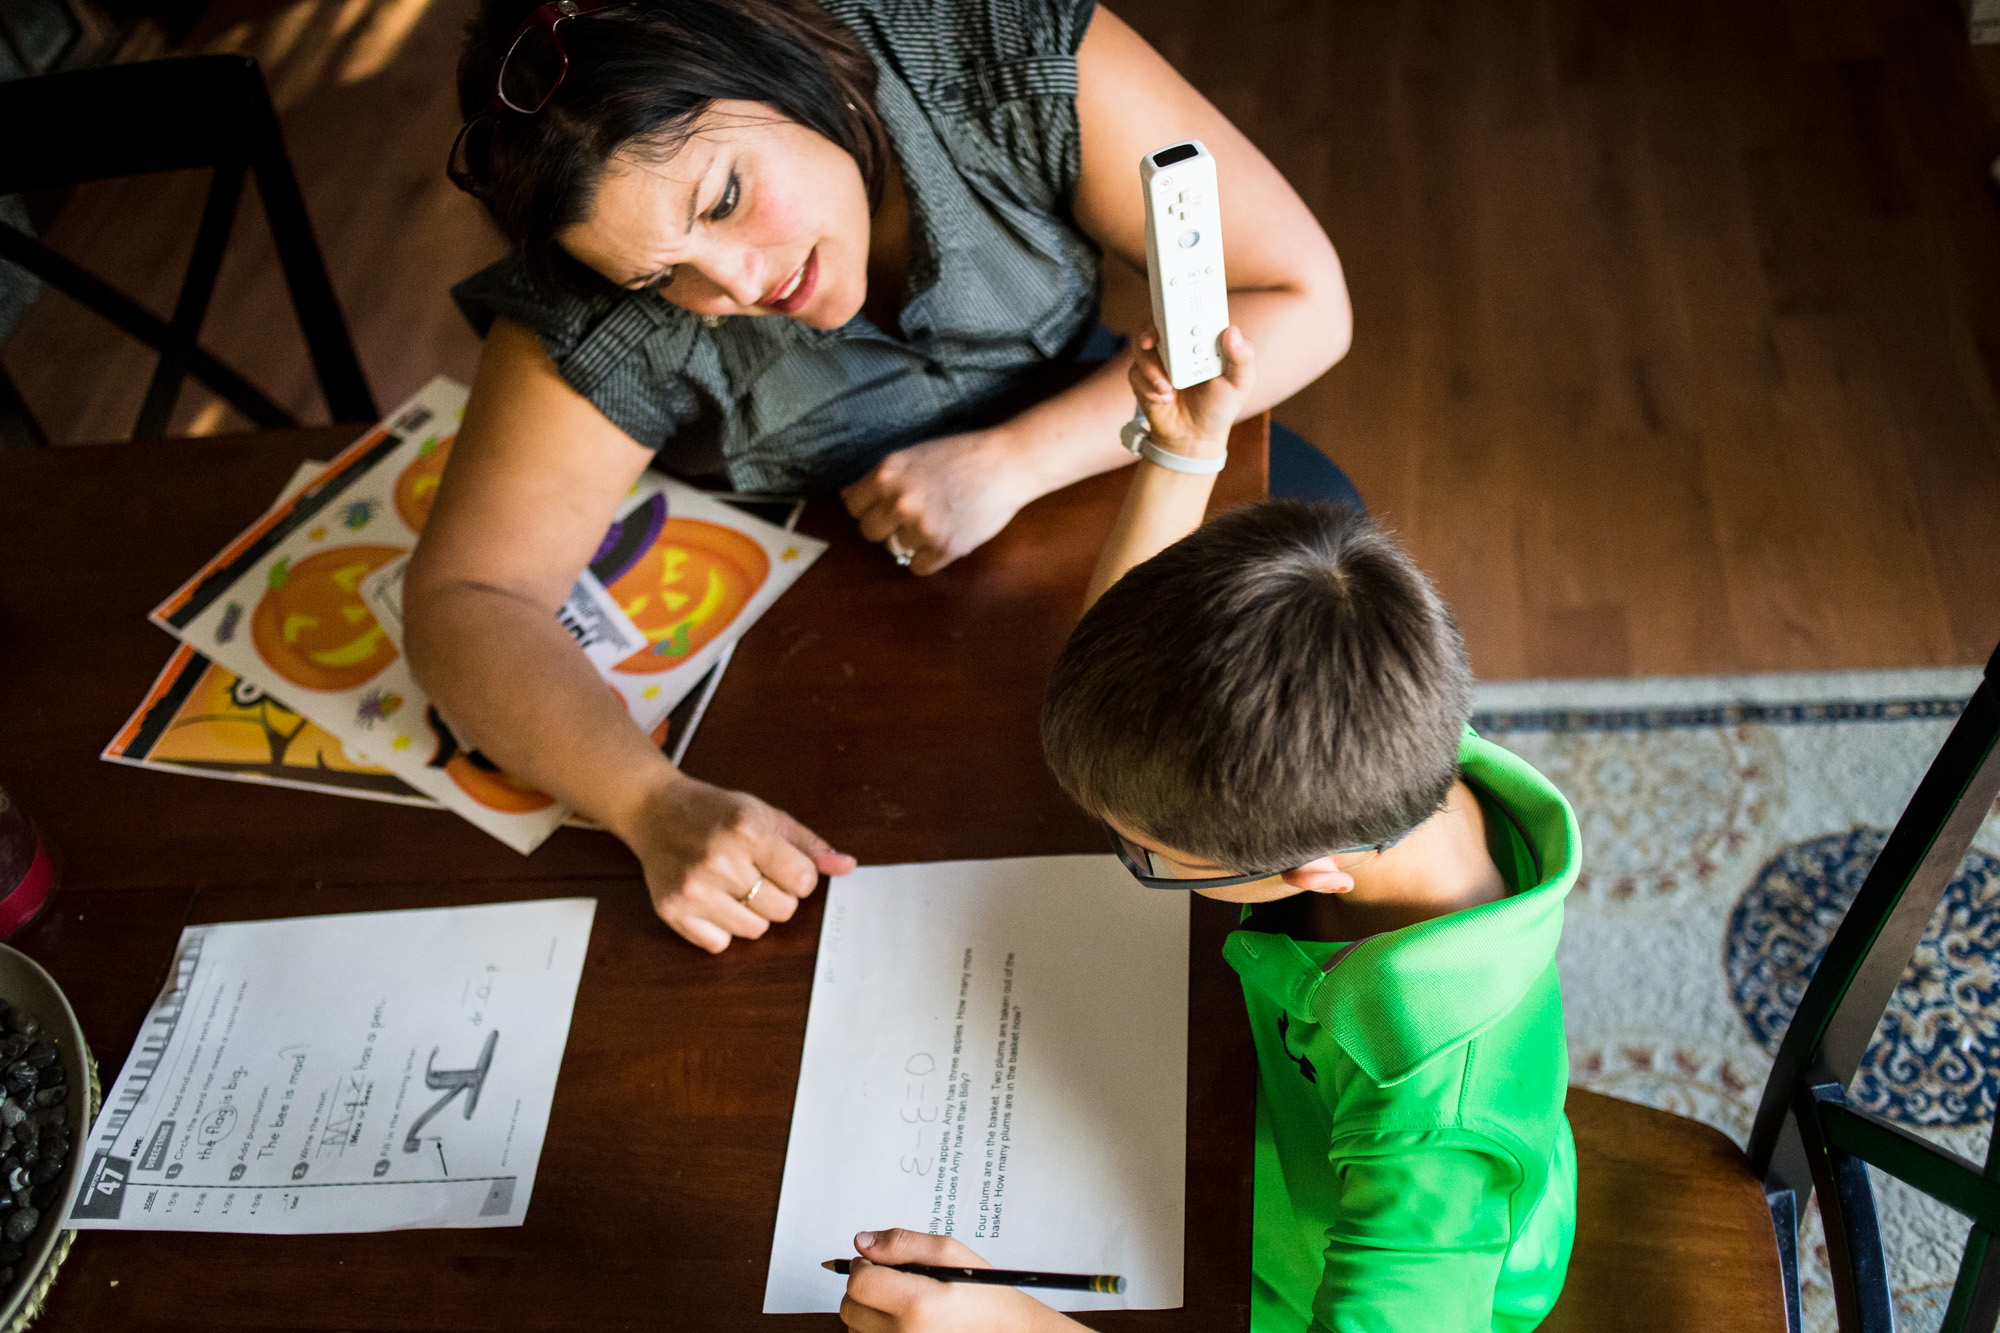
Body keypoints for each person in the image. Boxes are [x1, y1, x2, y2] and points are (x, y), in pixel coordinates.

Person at [403, 0, 1356, 954]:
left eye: (726, 197)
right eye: (662, 281)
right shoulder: (594, 301)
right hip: (845, 615)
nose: (733, 287)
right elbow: (467, 600)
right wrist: (648, 802)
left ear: (777, 61)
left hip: (1109, 447)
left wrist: (1015, 459)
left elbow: (1300, 297)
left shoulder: (992, 43)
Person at [836, 326, 1579, 1332]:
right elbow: (1144, 684)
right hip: (1262, 1116)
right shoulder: (1377, 725)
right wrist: (1180, 458)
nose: (1125, 849)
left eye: (1147, 857)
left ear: (1309, 871)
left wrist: (1006, 1326)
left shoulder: (1432, 1111)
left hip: (1328, 1268)